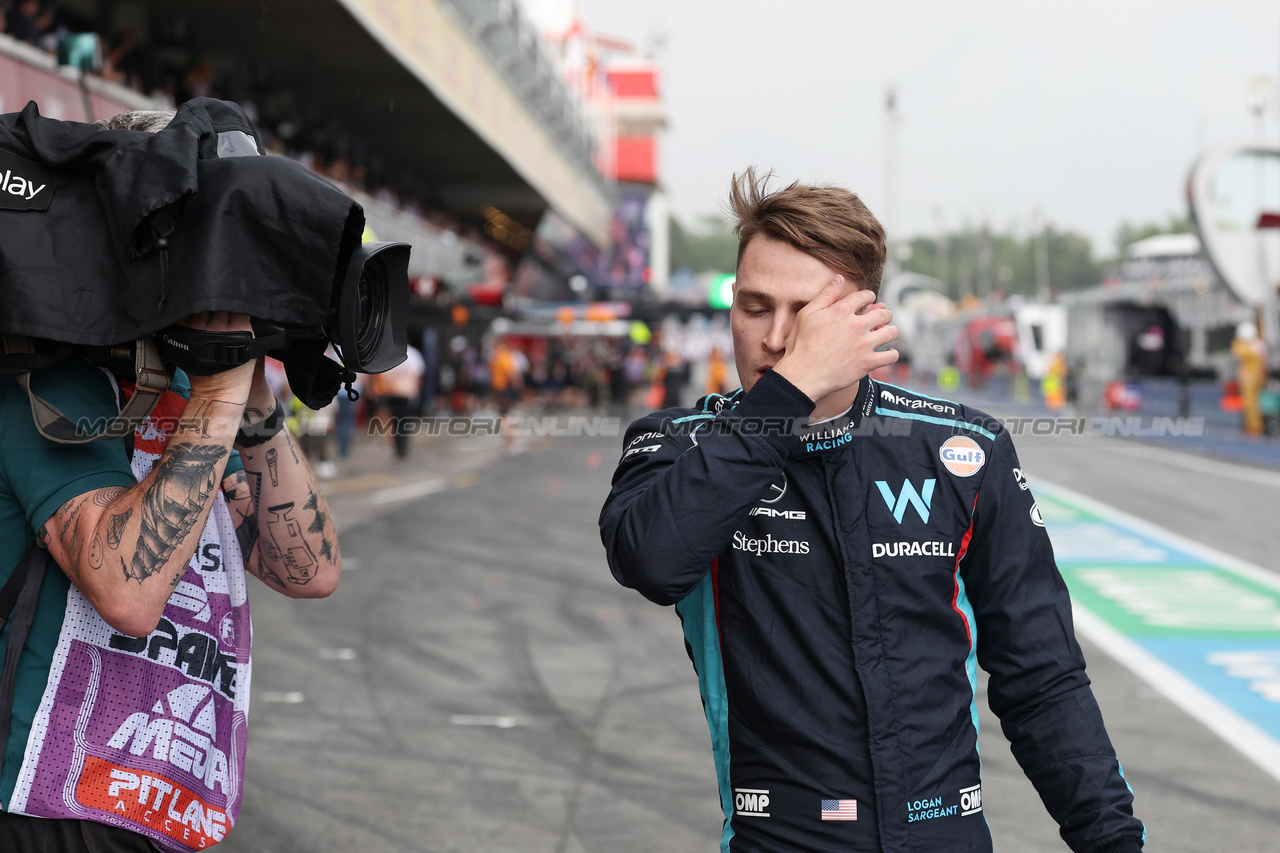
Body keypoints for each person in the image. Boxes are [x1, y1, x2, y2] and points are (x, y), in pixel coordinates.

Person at [599, 169, 1144, 853]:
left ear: (866, 319)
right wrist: (792, 389)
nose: (773, 337)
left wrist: (1115, 842)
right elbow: (649, 557)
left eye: (803, 314)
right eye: (754, 307)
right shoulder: (680, 446)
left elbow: (1041, 677)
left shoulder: (962, 449)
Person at [0, 111, 341, 853]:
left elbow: (306, 567)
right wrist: (220, 388)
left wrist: (248, 386)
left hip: (158, 806)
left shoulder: (199, 384)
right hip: (42, 801)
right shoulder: (48, 379)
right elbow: (125, 589)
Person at [1231, 320, 1267, 436]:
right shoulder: (1257, 345)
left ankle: (1254, 427)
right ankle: (1252, 426)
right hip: (1251, 378)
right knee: (1250, 403)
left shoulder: (1250, 347)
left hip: (1251, 379)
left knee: (1251, 403)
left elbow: (1239, 352)